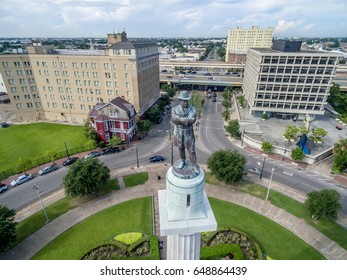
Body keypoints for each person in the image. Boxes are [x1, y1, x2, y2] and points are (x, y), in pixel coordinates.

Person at [171, 91, 198, 172]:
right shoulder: (174, 109)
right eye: (184, 100)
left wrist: (179, 119)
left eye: (187, 100)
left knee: (191, 150)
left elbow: (192, 120)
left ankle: (194, 165)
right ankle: (182, 161)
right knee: (180, 148)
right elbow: (174, 119)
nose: (186, 102)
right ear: (180, 100)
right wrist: (184, 120)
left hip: (189, 132)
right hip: (178, 132)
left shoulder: (192, 108)